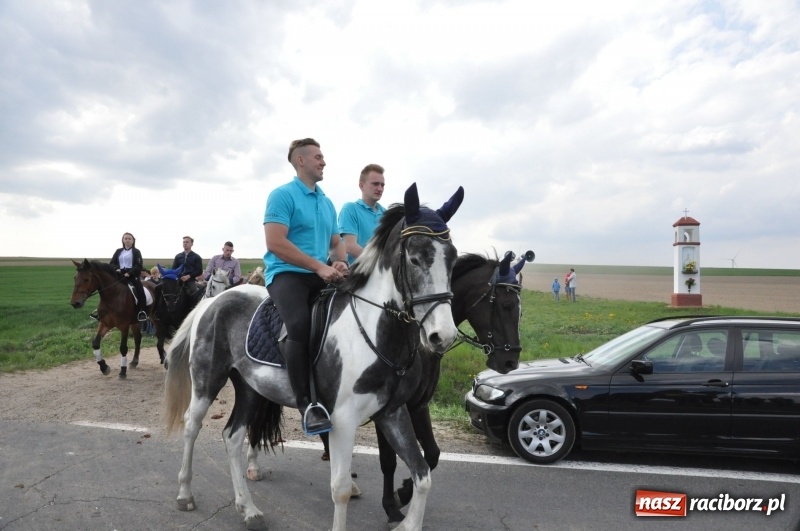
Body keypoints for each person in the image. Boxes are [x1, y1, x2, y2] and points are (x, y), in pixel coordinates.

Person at [263, 137, 349, 435]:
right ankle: (306, 404)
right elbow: (275, 242)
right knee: (299, 324)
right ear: (300, 161)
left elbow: (336, 243)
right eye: (318, 157)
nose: (323, 162)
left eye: (323, 157)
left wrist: (340, 263)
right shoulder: (282, 195)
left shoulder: (326, 202)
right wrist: (319, 266)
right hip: (287, 274)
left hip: (320, 273)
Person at [337, 164, 386, 263]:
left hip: (384, 276)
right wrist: (378, 265)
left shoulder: (386, 214)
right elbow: (350, 246)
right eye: (375, 184)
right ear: (361, 185)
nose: (380, 189)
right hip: (357, 275)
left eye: (382, 185)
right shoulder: (350, 209)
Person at [110, 232, 148, 321]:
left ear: (133, 241)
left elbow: (139, 265)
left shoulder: (136, 251)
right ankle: (103, 310)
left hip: (132, 275)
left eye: (129, 239)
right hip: (119, 274)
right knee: (108, 288)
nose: (127, 240)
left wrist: (130, 273)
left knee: (140, 290)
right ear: (123, 240)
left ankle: (142, 311)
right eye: (125, 238)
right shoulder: (118, 251)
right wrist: (116, 268)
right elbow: (112, 263)